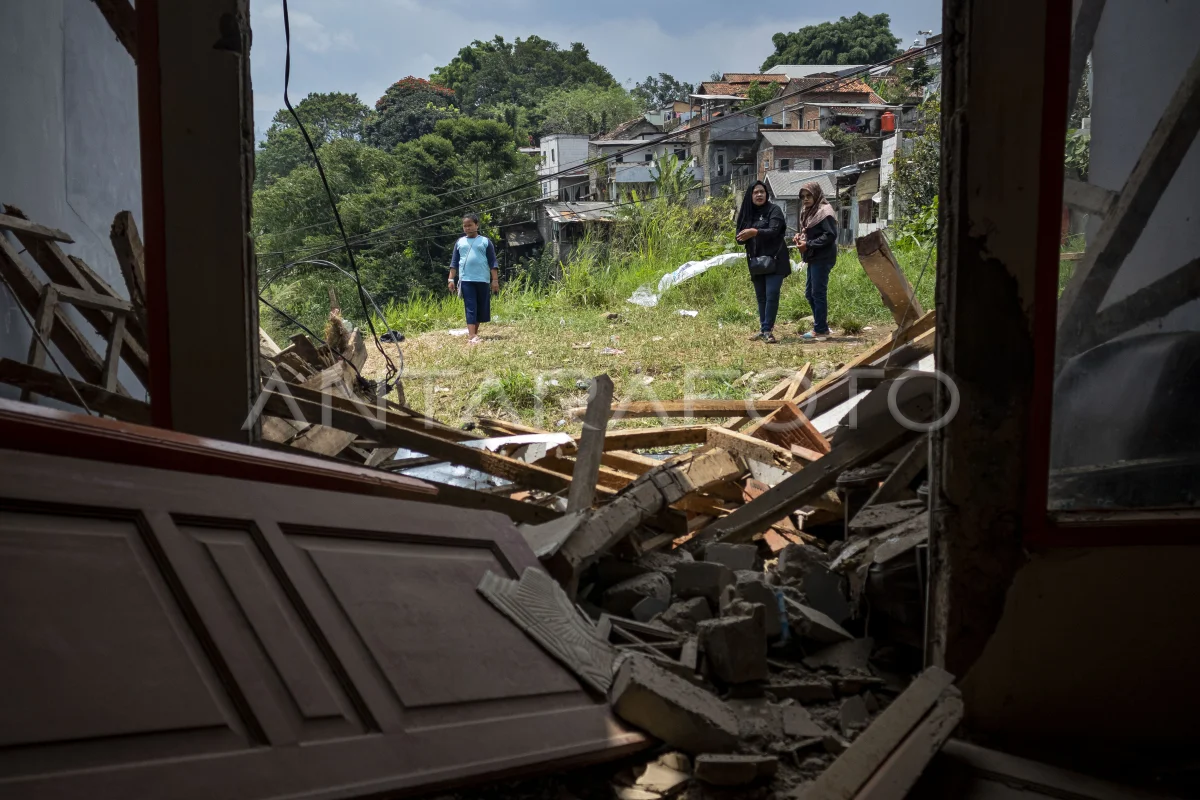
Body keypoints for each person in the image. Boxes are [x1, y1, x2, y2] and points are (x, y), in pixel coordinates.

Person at [735, 180, 790, 344]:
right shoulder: (747, 213)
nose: (759, 195)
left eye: (762, 192)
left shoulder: (774, 210)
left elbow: (774, 231)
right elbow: (738, 238)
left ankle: (768, 330)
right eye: (755, 192)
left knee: (772, 294)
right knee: (761, 297)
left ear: (766, 194)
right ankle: (763, 328)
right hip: (757, 262)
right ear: (750, 195)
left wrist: (755, 232)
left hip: (776, 259)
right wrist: (744, 235)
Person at [792, 181, 838, 340]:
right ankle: (821, 325)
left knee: (817, 292)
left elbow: (830, 235)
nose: (805, 199)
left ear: (816, 195)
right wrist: (800, 236)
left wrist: (809, 244)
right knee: (810, 294)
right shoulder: (808, 211)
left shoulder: (824, 212)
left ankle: (820, 329)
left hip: (823, 257)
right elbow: (809, 231)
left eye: (809, 195)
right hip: (813, 257)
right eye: (803, 196)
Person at [447, 213, 499, 345]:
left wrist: (495, 281)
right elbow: (454, 262)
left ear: (477, 225)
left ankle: (474, 333)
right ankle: (471, 335)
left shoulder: (485, 242)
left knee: (481, 307)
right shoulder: (460, 242)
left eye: (470, 225)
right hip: (466, 280)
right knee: (470, 306)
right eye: (465, 226)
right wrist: (451, 279)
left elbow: (493, 262)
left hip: (483, 279)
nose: (467, 228)